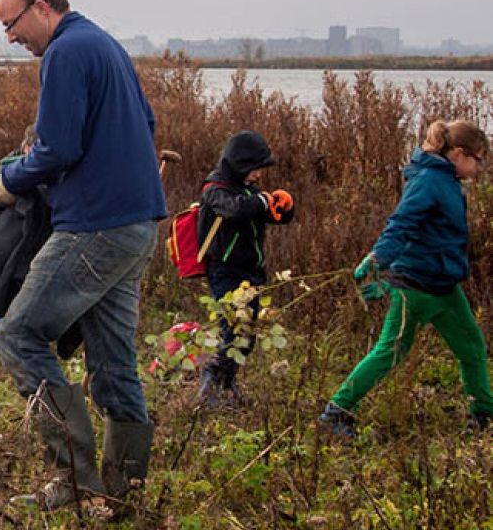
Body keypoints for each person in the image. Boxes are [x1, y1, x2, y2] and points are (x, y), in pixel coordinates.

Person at [0, 0, 167, 510]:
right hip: (136, 225)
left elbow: (58, 147)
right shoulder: (105, 45)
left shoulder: (66, 52)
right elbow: (148, 122)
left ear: (42, 8)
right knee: (114, 363)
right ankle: (123, 495)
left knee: (17, 335)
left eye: (11, 24)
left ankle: (74, 481)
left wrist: (9, 180)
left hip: (96, 227)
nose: (11, 38)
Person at [319, 120, 493, 439]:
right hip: (415, 286)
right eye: (478, 159)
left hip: (444, 287)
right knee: (391, 351)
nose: (480, 167)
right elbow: (401, 224)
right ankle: (336, 412)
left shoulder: (447, 180)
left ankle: (482, 417)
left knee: (472, 347)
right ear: (458, 153)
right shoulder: (428, 181)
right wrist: (375, 261)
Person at [195, 130, 295, 408]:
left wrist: (283, 208)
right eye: (255, 170)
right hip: (225, 272)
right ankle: (211, 384)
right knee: (233, 330)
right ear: (239, 164)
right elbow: (233, 210)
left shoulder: (248, 191)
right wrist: (261, 200)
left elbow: (264, 213)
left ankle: (227, 381)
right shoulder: (214, 189)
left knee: (246, 335)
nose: (258, 176)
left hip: (252, 272)